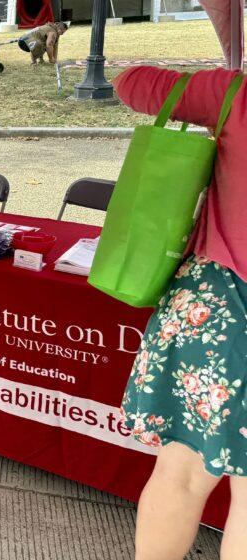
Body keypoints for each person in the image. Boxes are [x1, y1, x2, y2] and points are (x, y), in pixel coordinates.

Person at [114, 66, 246, 560]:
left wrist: (223, 88)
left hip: (212, 312)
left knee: (182, 471)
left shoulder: (236, 95)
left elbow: (131, 83)